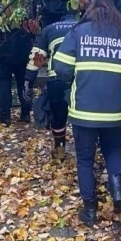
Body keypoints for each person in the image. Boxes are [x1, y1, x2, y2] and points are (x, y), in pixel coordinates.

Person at [52, 0, 121, 226]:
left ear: (91, 12)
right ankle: (117, 194)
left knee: (85, 159)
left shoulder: (78, 32)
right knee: (112, 150)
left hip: (83, 112)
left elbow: (61, 67)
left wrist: (73, 79)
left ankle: (90, 210)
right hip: (115, 113)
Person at [23, 8, 78, 159]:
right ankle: (85, 149)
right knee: (82, 116)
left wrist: (29, 81)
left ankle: (60, 150)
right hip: (81, 80)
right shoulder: (86, 27)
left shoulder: (50, 30)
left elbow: (36, 57)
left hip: (56, 79)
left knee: (58, 116)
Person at [0, 22, 33, 125]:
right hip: (22, 51)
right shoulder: (24, 10)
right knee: (23, 83)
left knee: (4, 84)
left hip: (3, 52)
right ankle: (25, 113)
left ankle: (5, 116)